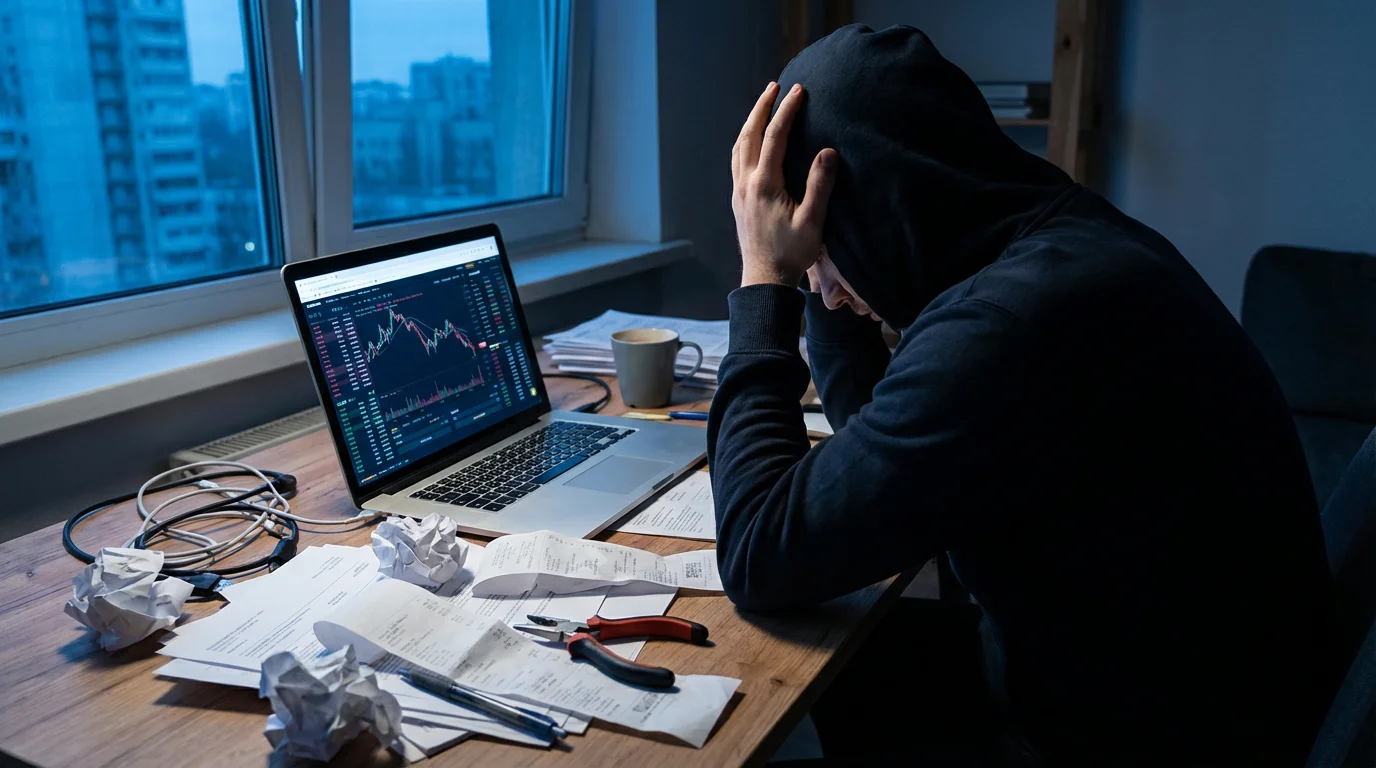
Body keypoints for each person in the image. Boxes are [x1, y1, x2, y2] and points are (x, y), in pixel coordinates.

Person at [709, 24, 1336, 765]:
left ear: (886, 200)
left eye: (825, 234)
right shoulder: (1067, 245)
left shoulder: (1008, 329)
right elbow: (871, 446)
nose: (826, 288)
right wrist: (822, 266)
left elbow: (756, 556)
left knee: (745, 718)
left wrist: (766, 280)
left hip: (1122, 739)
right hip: (1149, 689)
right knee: (805, 684)